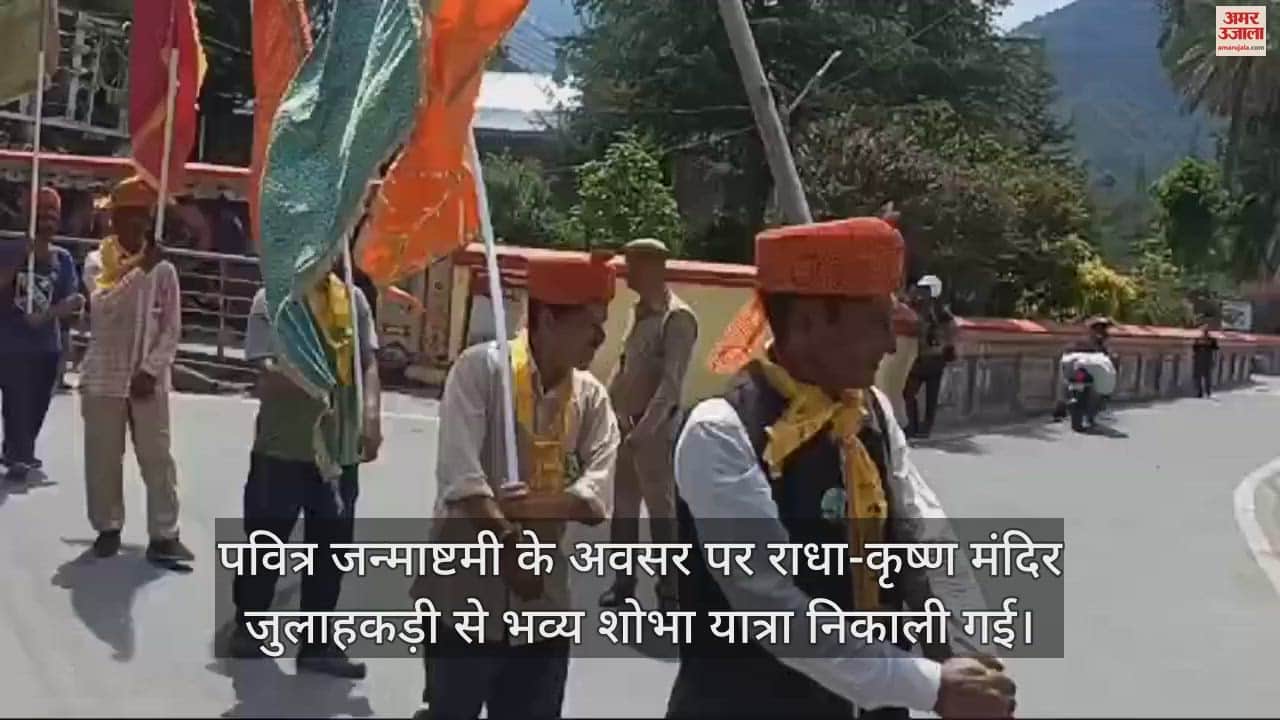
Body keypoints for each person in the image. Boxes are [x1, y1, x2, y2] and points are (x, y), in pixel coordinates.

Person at [668, 217, 1016, 718]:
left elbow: (923, 532)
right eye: (876, 323)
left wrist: (964, 642)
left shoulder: (869, 410)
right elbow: (772, 606)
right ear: (808, 322)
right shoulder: (720, 431)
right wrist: (929, 686)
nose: (891, 345)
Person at [411, 254, 621, 720]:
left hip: (543, 605)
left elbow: (594, 499)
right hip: (463, 595)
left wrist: (535, 508)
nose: (600, 338)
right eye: (590, 324)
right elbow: (463, 480)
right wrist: (508, 539)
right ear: (547, 319)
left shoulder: (590, 398)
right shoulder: (479, 372)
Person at [227, 262, 382, 678]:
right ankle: (248, 626)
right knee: (265, 541)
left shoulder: (354, 300)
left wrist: (371, 414)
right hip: (282, 449)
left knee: (331, 549)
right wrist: (315, 379)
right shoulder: (273, 300)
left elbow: (367, 362)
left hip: (338, 450)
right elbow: (263, 374)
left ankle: (317, 643)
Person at [78, 176, 191, 563]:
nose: (136, 224)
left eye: (142, 216)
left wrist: (151, 368)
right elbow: (104, 307)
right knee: (104, 458)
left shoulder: (165, 271)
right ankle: (107, 526)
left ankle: (164, 533)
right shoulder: (97, 262)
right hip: (104, 377)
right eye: (128, 216)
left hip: (148, 381)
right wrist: (142, 268)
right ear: (113, 220)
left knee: (158, 457)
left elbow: (172, 329)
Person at [599, 237, 698, 612]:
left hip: (653, 432)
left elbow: (669, 387)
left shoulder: (678, 318)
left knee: (661, 514)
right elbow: (626, 368)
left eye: (634, 264)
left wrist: (642, 434)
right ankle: (623, 584)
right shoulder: (640, 313)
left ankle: (670, 592)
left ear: (655, 268)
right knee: (623, 509)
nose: (628, 272)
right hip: (626, 427)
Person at [0, 188, 83, 481]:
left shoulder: (64, 259)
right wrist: (24, 252)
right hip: (10, 343)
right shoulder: (7, 249)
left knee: (37, 402)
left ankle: (20, 448)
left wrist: (53, 316)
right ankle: (18, 454)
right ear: (26, 214)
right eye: (41, 211)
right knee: (16, 400)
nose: (47, 218)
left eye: (53, 213)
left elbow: (72, 299)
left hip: (47, 346)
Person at [902, 275, 956, 439]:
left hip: (926, 357)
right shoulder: (940, 311)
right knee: (921, 395)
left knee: (913, 394)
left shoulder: (928, 310)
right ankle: (922, 427)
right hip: (931, 358)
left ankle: (915, 427)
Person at [1192, 325, 1219, 398]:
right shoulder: (1198, 339)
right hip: (1201, 360)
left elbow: (1215, 351)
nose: (1205, 333)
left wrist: (1214, 360)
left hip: (1206, 360)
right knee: (1201, 377)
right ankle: (1201, 392)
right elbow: (1194, 349)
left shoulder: (1211, 339)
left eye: (1206, 331)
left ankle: (1206, 392)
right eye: (1204, 331)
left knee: (1206, 377)